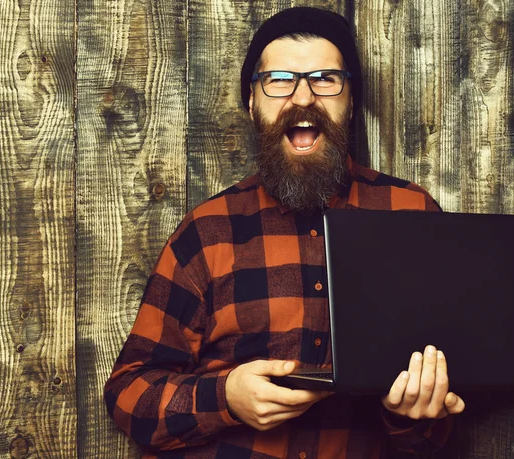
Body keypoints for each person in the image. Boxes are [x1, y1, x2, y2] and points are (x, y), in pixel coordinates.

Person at [104, 7, 465, 458]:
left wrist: (410, 413)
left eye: (324, 79)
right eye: (279, 79)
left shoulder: (411, 214)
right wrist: (227, 399)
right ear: (251, 101)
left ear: (350, 100)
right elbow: (128, 395)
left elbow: (434, 427)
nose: (302, 98)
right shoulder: (208, 230)